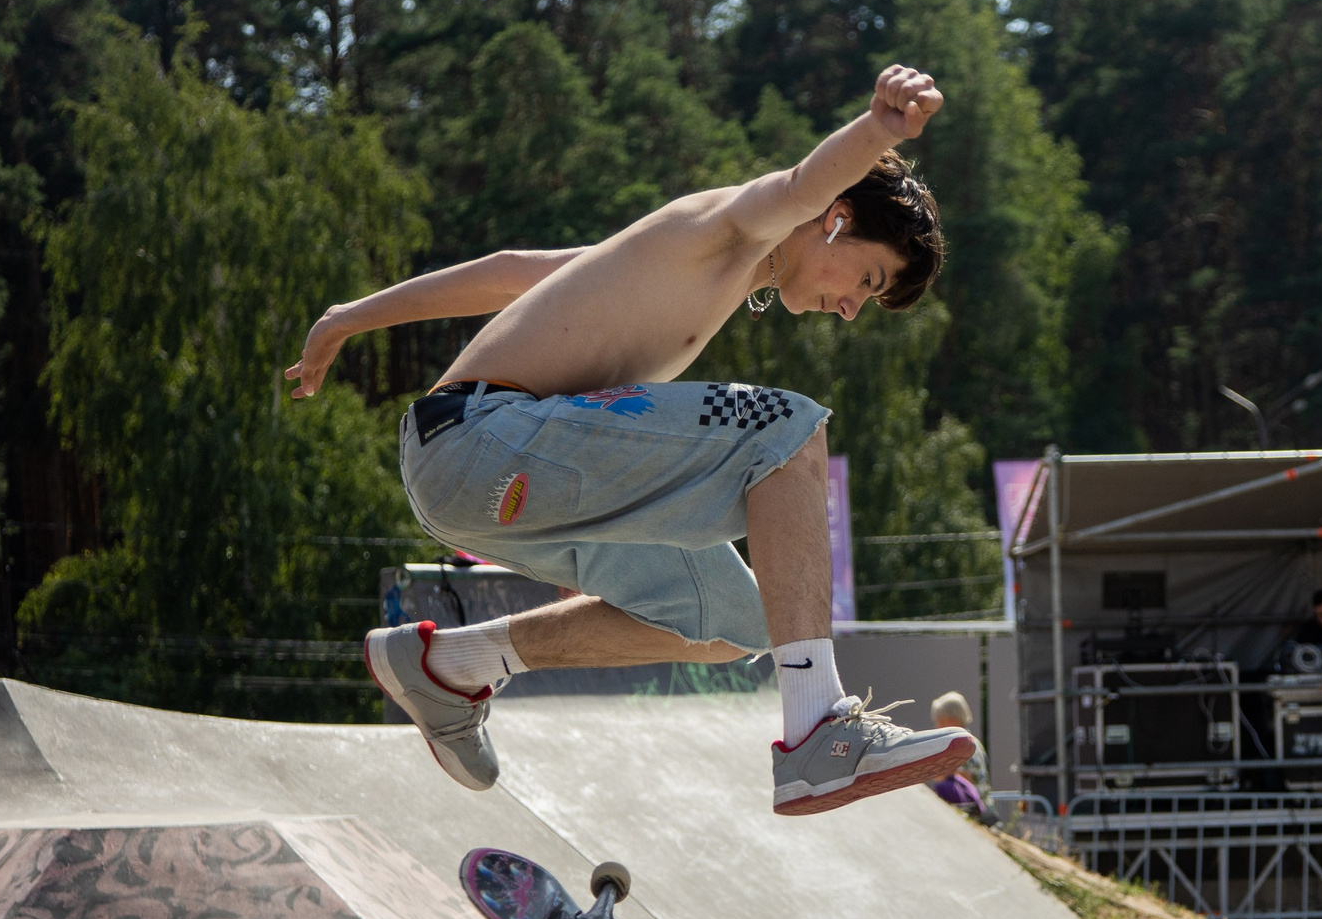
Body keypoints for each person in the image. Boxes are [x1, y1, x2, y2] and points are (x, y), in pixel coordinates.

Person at [287, 64, 971, 817]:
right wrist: (881, 128)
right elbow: (805, 182)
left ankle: (455, 661)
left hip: (485, 478)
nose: (848, 309)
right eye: (866, 281)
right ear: (837, 220)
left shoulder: (670, 264)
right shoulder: (733, 228)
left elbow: (512, 273)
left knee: (734, 623)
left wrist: (351, 316)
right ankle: (818, 727)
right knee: (790, 430)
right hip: (479, 439)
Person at [926, 689, 991, 821]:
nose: (936, 727)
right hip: (985, 808)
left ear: (950, 720)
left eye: (939, 721)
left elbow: (964, 782)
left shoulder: (961, 746)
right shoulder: (974, 741)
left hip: (974, 813)